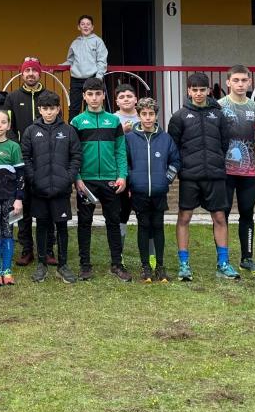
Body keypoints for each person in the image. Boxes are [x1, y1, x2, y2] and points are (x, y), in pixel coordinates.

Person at [167, 72, 239, 281]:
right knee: (184, 218)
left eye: (202, 90)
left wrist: (215, 162)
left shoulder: (218, 115)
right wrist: (183, 169)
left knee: (219, 217)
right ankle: (183, 264)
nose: (198, 94)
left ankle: (223, 263)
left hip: (215, 175)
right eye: (194, 90)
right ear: (188, 91)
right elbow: (174, 147)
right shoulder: (179, 116)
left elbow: (225, 144)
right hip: (190, 177)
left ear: (208, 91)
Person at [71, 78, 131, 281]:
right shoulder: (77, 122)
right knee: (84, 222)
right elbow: (73, 154)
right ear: (84, 96)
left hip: (110, 181)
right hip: (86, 182)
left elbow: (120, 151)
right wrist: (77, 178)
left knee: (113, 221)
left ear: (104, 95)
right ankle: (85, 265)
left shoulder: (114, 121)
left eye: (98, 94)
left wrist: (122, 176)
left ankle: (117, 263)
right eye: (90, 94)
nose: (94, 98)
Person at [21, 91, 82, 284]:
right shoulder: (31, 131)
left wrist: (68, 178)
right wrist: (33, 178)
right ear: (39, 109)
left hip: (61, 189)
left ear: (58, 109)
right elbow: (25, 157)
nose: (48, 112)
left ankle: (63, 265)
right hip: (38, 189)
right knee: (41, 226)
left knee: (61, 227)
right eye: (45, 109)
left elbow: (76, 157)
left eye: (52, 108)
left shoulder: (68, 130)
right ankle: (42, 264)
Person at [125, 97, 180, 283]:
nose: (148, 118)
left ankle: (160, 266)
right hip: (139, 191)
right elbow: (125, 162)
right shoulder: (130, 138)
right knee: (143, 227)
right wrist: (131, 180)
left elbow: (175, 161)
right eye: (144, 114)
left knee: (158, 227)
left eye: (151, 114)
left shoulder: (165, 138)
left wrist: (166, 180)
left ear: (156, 115)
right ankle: (145, 267)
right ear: (139, 115)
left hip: (159, 191)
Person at [219, 65, 255, 275]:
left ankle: (247, 258)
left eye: (243, 80)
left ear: (250, 82)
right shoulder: (219, 106)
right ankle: (223, 259)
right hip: (225, 172)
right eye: (235, 80)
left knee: (247, 214)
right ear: (228, 82)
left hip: (248, 173)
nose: (240, 84)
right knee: (223, 215)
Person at [6, 56, 54, 266]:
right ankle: (27, 249)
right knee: (22, 208)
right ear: (22, 74)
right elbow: (9, 127)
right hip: (22, 161)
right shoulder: (13, 97)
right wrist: (19, 150)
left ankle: (48, 249)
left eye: (34, 70)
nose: (31, 74)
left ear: (39, 73)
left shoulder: (49, 96)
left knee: (46, 207)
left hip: (46, 161)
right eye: (27, 71)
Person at [0, 110, 24, 286]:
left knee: (8, 232)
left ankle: (7, 271)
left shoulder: (14, 147)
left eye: (3, 122)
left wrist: (19, 198)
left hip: (10, 198)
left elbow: (21, 175)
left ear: (8, 126)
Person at [113, 83, 140, 259]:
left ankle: (148, 253)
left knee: (142, 212)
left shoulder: (145, 116)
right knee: (121, 212)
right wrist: (121, 132)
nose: (126, 99)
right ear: (116, 101)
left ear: (135, 99)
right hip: (120, 172)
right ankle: (118, 251)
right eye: (122, 97)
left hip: (141, 171)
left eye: (129, 96)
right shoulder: (112, 119)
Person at [65, 15, 108, 121]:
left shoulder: (98, 41)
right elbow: (70, 61)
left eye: (88, 24)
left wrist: (98, 78)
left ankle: (91, 129)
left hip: (92, 78)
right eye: (83, 24)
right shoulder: (75, 43)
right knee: (74, 108)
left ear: (92, 27)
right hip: (76, 79)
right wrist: (58, 67)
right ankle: (73, 132)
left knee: (92, 106)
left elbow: (102, 61)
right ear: (78, 27)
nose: (85, 26)